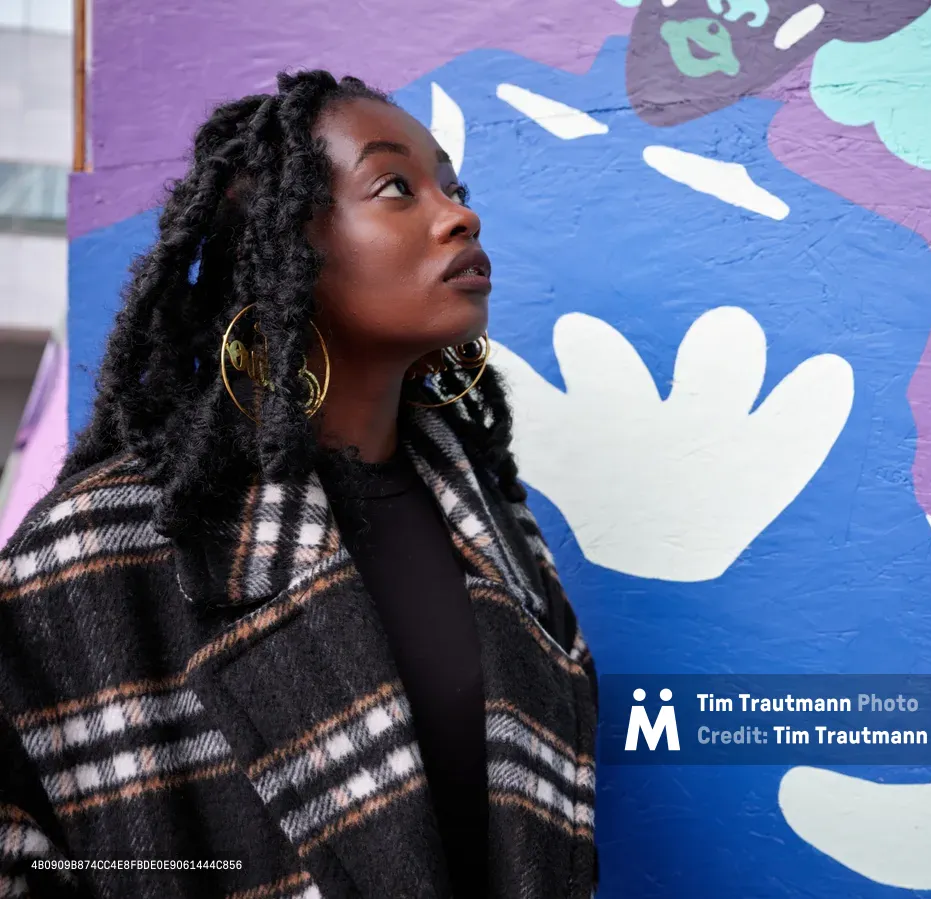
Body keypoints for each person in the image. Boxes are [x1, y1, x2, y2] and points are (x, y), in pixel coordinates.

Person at [0, 70, 599, 899]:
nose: (461, 215)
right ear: (284, 243)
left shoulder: (499, 529)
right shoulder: (102, 546)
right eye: (395, 187)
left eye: (453, 188)